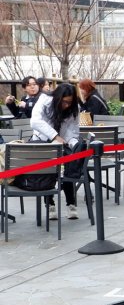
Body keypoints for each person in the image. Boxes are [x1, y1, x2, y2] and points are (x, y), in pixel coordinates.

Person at [30, 83, 81, 220]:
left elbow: (73, 131)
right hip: (42, 142)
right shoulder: (45, 100)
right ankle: (50, 203)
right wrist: (54, 136)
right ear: (58, 98)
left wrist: (73, 143)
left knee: (69, 166)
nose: (67, 105)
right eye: (64, 102)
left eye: (70, 102)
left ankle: (71, 203)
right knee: (47, 172)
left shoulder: (74, 108)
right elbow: (35, 121)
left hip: (62, 143)